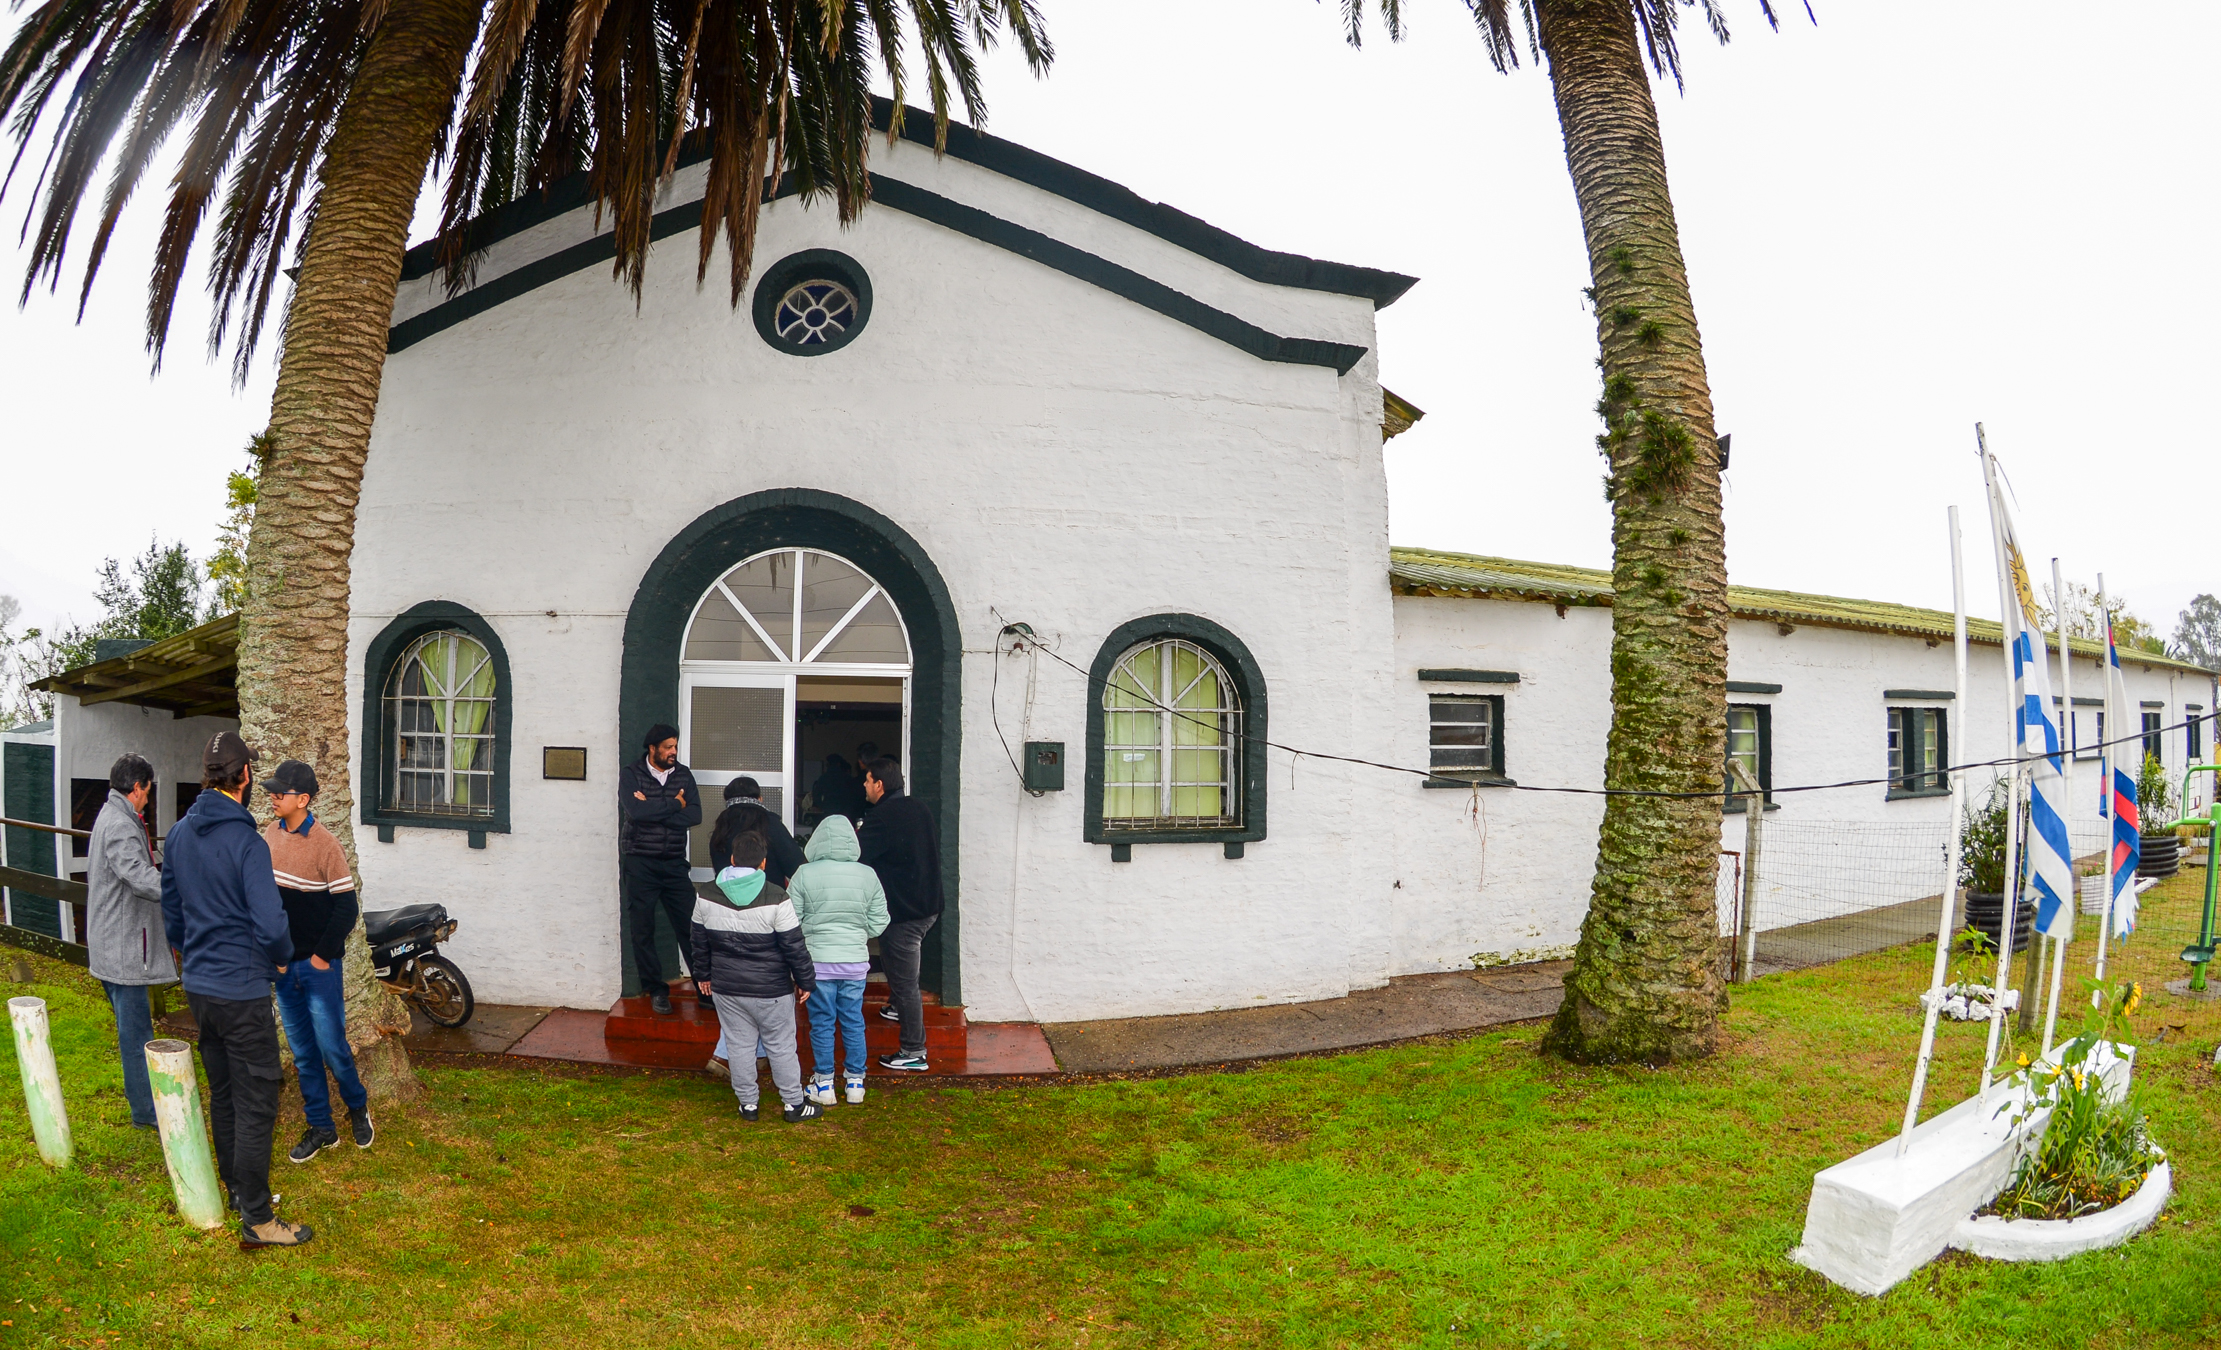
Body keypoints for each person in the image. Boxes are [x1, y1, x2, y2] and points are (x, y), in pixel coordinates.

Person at [160, 730, 311, 1248]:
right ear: (244, 775)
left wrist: (192, 958)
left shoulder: (179, 834)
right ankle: (257, 1218)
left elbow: (172, 912)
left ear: (208, 775)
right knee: (257, 1100)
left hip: (200, 986)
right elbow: (270, 925)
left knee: (224, 1093)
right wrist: (283, 955)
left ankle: (237, 1187)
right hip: (242, 989)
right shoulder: (247, 841)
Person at [261, 760, 374, 1163]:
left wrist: (322, 958)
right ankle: (322, 1127)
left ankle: (357, 1106)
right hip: (282, 967)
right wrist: (275, 957)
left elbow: (346, 909)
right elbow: (265, 902)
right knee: (303, 1052)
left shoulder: (326, 844)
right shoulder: (269, 836)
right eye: (271, 792)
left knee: (331, 1047)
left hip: (318, 968)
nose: (273, 798)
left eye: (280, 793)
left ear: (303, 799)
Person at [692, 830, 821, 1123]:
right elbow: (794, 945)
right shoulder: (777, 896)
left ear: (733, 859)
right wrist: (805, 981)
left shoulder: (705, 894)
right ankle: (794, 1105)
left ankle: (748, 1105)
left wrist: (702, 974)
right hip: (772, 990)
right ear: (763, 863)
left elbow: (698, 941)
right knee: (781, 1046)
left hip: (727, 987)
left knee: (738, 1045)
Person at [84, 751, 173, 1130]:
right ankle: (146, 1114)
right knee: (137, 1036)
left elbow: (141, 863)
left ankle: (145, 1106)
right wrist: (180, 888)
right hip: (122, 951)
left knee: (134, 1031)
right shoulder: (120, 823)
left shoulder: (114, 815)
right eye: (148, 791)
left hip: (114, 945)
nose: (149, 798)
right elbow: (137, 875)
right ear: (137, 788)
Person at [784, 814, 889, 1107]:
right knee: (854, 1021)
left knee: (822, 1023)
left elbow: (791, 919)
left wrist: (811, 936)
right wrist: (858, 934)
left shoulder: (804, 873)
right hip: (855, 963)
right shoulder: (867, 874)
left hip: (818, 965)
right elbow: (880, 921)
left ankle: (824, 1084)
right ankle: (856, 1083)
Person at [857, 757, 941, 1073]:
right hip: (928, 904)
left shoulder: (882, 817)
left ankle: (914, 1051)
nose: (864, 785)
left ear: (879, 784)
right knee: (897, 970)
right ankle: (895, 1008)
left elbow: (857, 852)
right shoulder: (917, 808)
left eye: (867, 780)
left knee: (905, 982)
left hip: (905, 913)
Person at [619, 723, 702, 1015]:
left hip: (674, 863)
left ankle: (705, 987)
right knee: (643, 929)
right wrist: (674, 805)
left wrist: (656, 808)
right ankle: (656, 989)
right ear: (652, 748)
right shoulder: (632, 774)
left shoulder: (683, 774)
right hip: (640, 861)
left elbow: (695, 814)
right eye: (668, 747)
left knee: (691, 927)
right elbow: (635, 812)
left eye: (675, 746)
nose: (673, 752)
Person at [709, 778, 804, 885]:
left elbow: (718, 866)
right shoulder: (770, 823)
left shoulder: (722, 826)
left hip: (726, 895)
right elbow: (796, 867)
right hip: (767, 896)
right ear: (760, 799)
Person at [809, 753, 864, 821]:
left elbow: (816, 795)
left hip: (828, 811)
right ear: (839, 764)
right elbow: (854, 796)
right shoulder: (847, 777)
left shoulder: (824, 778)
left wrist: (822, 806)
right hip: (845, 813)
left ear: (828, 765)